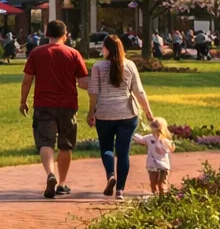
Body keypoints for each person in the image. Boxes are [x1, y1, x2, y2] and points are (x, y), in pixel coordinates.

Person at [20, 19, 88, 199]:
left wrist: (23, 101)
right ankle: (62, 182)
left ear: (47, 35)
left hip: (43, 103)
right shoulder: (73, 54)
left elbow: (27, 80)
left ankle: (50, 174)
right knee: (65, 145)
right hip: (68, 105)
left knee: (45, 142)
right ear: (65, 35)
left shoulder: (36, 53)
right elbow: (83, 83)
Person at [87, 33, 155, 200]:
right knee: (123, 152)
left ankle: (111, 175)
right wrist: (148, 112)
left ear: (107, 49)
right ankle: (120, 191)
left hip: (104, 113)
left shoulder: (98, 67)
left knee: (107, 148)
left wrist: (91, 112)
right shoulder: (129, 65)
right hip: (127, 113)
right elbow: (139, 91)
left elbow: (93, 92)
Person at [133, 117, 176, 194]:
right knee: (155, 183)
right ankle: (157, 196)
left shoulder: (164, 140)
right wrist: (134, 135)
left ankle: (161, 197)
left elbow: (172, 148)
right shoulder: (149, 138)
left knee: (160, 183)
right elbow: (141, 139)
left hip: (161, 166)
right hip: (155, 165)